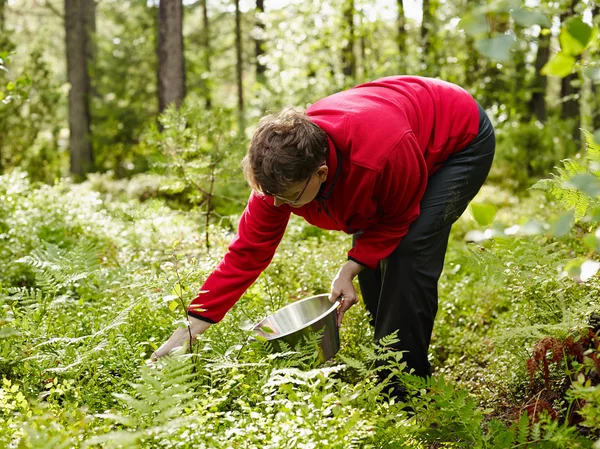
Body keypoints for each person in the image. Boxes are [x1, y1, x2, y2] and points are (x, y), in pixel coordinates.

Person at [151, 75, 495, 394]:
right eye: (271, 197)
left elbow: (397, 218)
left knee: (407, 251)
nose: (277, 206)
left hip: (458, 138)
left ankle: (405, 388)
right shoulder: (279, 174)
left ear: (321, 173)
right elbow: (247, 252)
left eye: (289, 200)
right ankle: (386, 350)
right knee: (374, 249)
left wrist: (350, 266)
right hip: (401, 134)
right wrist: (191, 327)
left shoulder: (378, 156)